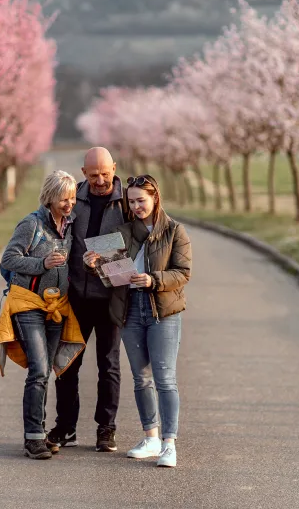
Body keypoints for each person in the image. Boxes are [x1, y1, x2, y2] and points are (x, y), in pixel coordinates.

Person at [84, 174, 191, 468]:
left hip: (163, 312)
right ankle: (151, 437)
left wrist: (152, 279)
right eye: (131, 201)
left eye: (141, 200)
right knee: (141, 378)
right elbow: (112, 277)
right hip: (130, 310)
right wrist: (96, 267)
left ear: (155, 197)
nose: (136, 206)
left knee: (165, 379)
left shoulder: (174, 231)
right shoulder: (122, 232)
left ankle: (169, 443)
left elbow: (183, 273)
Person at [0, 171, 86, 460]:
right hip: (28, 305)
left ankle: (41, 434)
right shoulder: (31, 224)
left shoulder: (69, 227)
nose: (69, 204)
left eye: (72, 198)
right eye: (63, 199)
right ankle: (33, 438)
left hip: (56, 308)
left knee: (47, 370)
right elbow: (8, 260)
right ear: (49, 197)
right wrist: (43, 263)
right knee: (39, 370)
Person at [47, 147, 128, 453]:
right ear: (83, 173)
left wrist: (103, 259)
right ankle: (66, 427)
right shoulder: (72, 199)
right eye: (93, 175)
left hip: (110, 296)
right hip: (75, 297)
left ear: (114, 169)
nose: (100, 180)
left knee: (108, 365)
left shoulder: (126, 202)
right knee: (67, 364)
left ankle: (106, 429)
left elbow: (135, 245)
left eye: (105, 173)